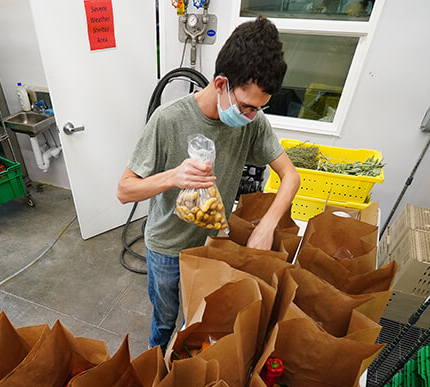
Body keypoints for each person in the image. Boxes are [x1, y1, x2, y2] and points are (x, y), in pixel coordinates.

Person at [116, 16, 301, 350]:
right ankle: (157, 367)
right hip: (167, 250)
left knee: (198, 326)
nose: (250, 116)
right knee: (164, 323)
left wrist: (267, 226)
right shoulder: (168, 120)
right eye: (246, 106)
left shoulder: (252, 121)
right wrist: (172, 176)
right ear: (220, 84)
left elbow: (291, 175)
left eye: (260, 108)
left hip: (214, 246)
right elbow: (124, 190)